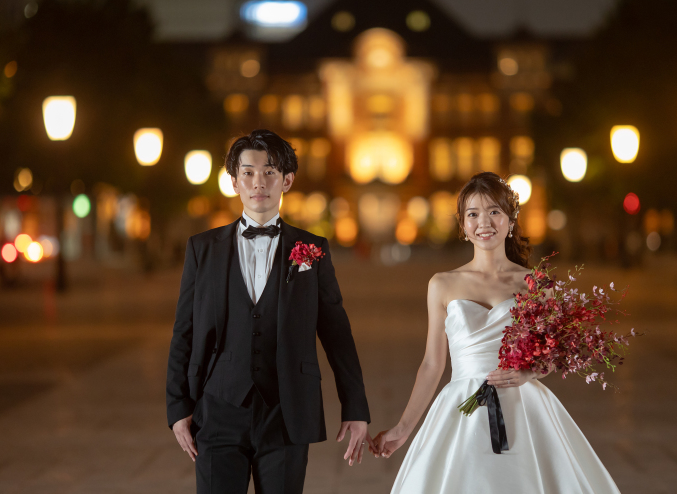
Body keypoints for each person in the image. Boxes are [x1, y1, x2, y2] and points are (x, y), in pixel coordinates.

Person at [370, 172, 621, 494]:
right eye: (473, 214)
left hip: (524, 407)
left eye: (494, 212)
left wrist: (529, 372)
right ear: (462, 225)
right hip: (462, 405)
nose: (483, 222)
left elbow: (554, 355)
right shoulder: (442, 284)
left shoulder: (536, 284)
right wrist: (403, 429)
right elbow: (433, 364)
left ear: (510, 220)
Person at [166, 129, 372, 494]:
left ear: (286, 180)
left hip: (286, 411)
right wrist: (177, 406)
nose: (258, 182)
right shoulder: (203, 249)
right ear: (233, 182)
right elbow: (184, 329)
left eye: (270, 172)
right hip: (217, 409)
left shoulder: (312, 248)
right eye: (248, 173)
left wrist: (355, 407)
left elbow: (337, 333)